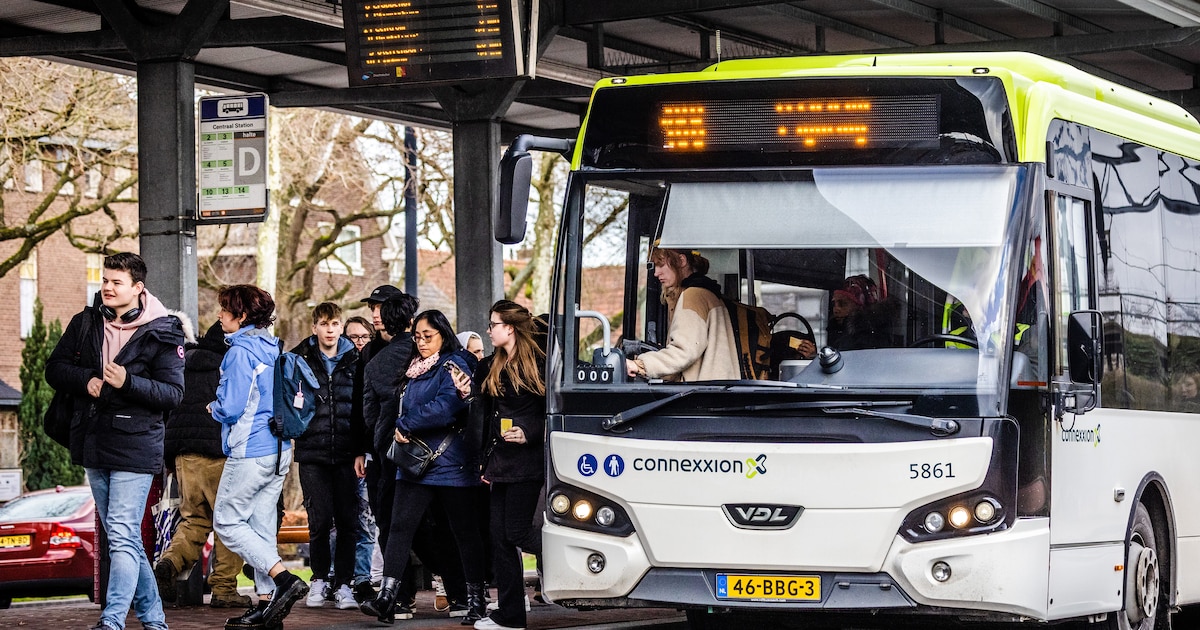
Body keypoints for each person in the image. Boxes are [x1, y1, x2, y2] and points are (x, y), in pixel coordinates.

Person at [45, 252, 186, 630]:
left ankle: (112, 620)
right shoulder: (86, 322)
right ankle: (154, 620)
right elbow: (55, 368)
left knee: (122, 535)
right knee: (122, 537)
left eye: (116, 282)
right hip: (93, 440)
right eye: (104, 280)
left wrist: (129, 382)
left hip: (137, 445)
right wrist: (85, 380)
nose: (107, 287)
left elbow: (173, 394)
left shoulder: (164, 331)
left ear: (138, 288)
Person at [361, 310, 487, 625]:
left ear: (444, 334)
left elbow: (446, 407)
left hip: (451, 464)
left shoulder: (456, 363)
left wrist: (404, 423)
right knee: (399, 527)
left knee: (464, 533)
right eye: (417, 336)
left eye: (427, 336)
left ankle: (475, 601)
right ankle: (387, 598)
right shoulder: (415, 370)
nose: (421, 342)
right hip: (415, 464)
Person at [210, 285, 309, 630]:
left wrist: (214, 407)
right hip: (279, 450)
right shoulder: (272, 346)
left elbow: (232, 406)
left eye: (225, 310)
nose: (220, 316)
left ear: (241, 316)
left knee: (225, 520)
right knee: (262, 528)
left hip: (250, 450)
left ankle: (284, 579)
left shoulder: (240, 352)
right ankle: (269, 607)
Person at [154, 318, 253, 610]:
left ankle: (170, 563)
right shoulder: (230, 365)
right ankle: (223, 588)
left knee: (194, 519)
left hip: (185, 456)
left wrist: (170, 456)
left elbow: (171, 411)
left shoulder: (184, 365)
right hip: (219, 453)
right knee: (229, 522)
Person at [467, 301, 546, 630]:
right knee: (499, 537)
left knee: (513, 532)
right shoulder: (489, 366)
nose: (489, 330)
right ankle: (511, 614)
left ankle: (567, 551)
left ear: (509, 328)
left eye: (493, 324)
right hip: (500, 461)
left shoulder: (539, 364)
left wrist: (528, 432)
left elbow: (553, 411)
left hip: (527, 461)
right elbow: (481, 411)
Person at [291, 302, 366, 611]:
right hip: (312, 451)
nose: (330, 330)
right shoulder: (299, 359)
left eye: (335, 324)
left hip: (348, 452)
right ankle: (320, 579)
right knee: (319, 521)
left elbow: (363, 406)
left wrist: (362, 449)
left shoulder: (356, 359)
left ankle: (345, 584)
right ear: (315, 328)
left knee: (349, 521)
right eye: (324, 324)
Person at [626, 247, 739, 381]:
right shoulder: (708, 292)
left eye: (661, 265)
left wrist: (639, 365)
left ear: (681, 261)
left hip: (699, 395)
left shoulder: (693, 295)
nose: (656, 273)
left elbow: (684, 352)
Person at [344, 312, 378, 601]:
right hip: (337, 453)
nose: (358, 342)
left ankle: (362, 578)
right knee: (340, 520)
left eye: (363, 336)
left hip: (365, 453)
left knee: (366, 520)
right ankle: (336, 577)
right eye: (352, 337)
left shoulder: (374, 365)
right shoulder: (341, 367)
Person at [827, 274, 888, 350]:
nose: (836, 310)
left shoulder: (867, 338)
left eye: (843, 304)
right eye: (834, 304)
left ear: (860, 306)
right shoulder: (836, 330)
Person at [361, 284, 404, 363]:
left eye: (382, 308)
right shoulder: (368, 350)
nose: (374, 315)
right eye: (372, 309)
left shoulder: (415, 345)